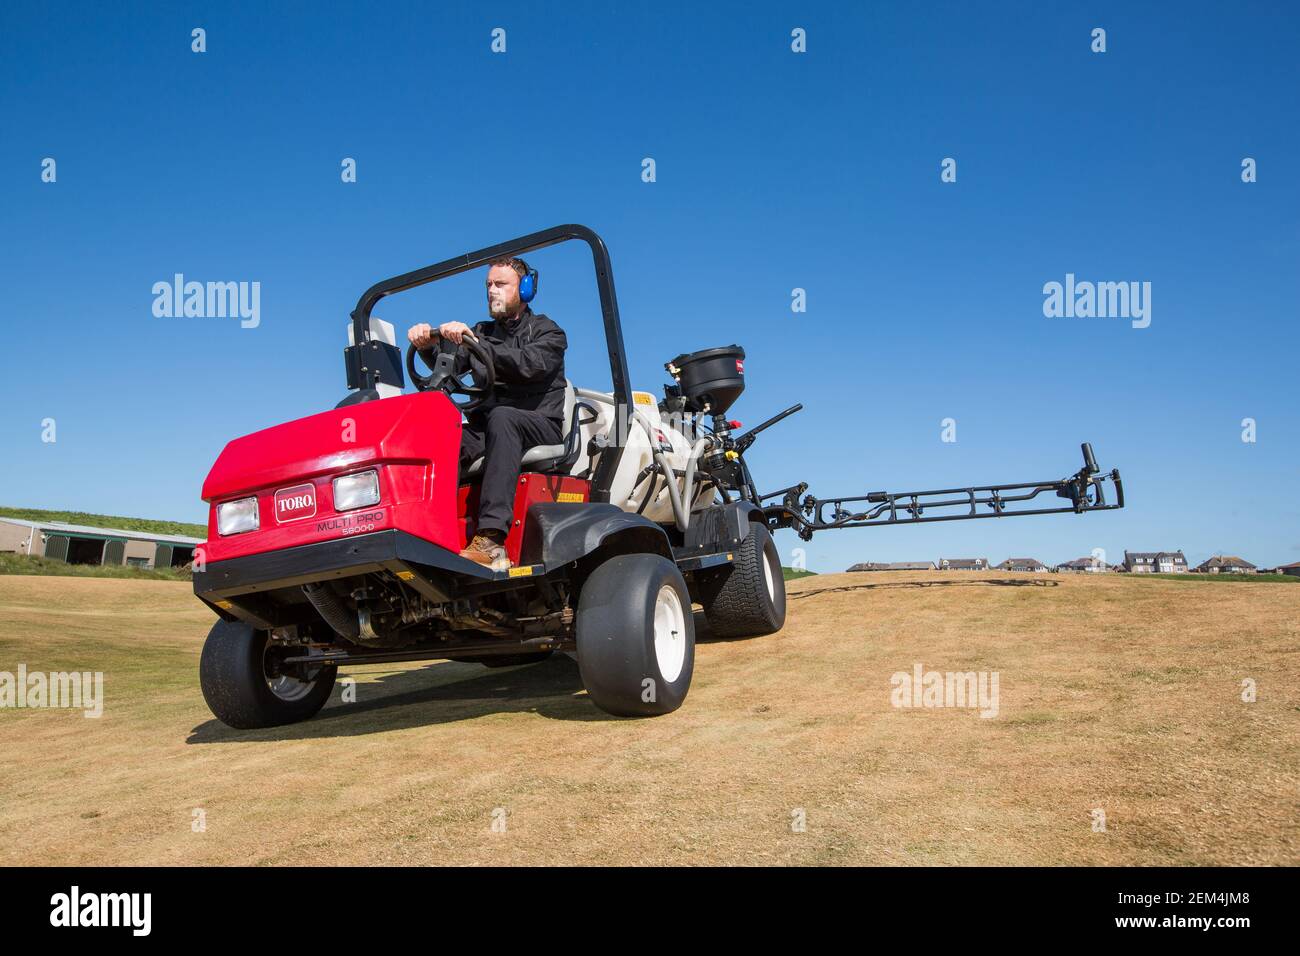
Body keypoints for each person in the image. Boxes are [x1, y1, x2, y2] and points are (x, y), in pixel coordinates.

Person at [407, 257, 567, 569]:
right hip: (491, 428)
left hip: (539, 423)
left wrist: (478, 342)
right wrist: (427, 346)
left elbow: (528, 364)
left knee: (502, 416)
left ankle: (492, 539)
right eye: (489, 285)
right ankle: (423, 529)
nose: (492, 291)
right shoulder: (481, 330)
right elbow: (449, 367)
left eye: (501, 284)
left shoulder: (549, 332)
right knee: (442, 437)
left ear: (525, 288)